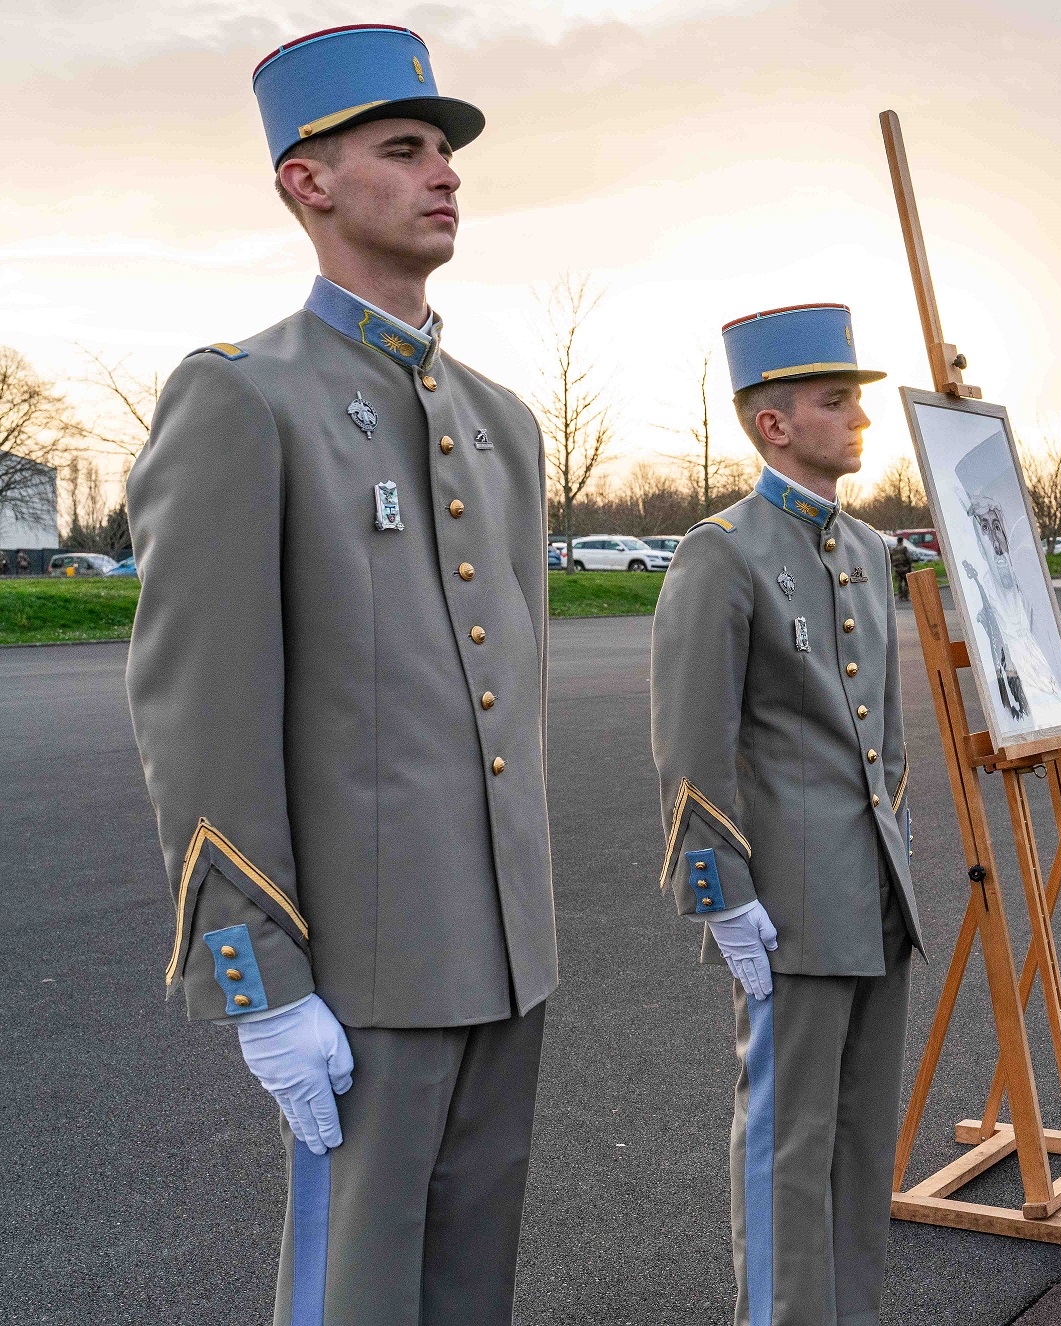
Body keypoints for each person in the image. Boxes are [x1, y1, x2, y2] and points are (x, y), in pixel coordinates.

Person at [123, 27, 556, 1325]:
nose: (445, 175)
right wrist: (261, 981)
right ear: (305, 184)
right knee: (353, 1293)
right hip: (361, 972)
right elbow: (202, 713)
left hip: (504, 953)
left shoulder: (502, 421)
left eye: (447, 154)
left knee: (471, 1285)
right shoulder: (243, 400)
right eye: (404, 149)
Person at [650, 302, 923, 1326]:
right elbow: (690, 742)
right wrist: (721, 896)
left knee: (860, 1144)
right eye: (832, 401)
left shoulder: (859, 545)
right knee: (784, 1141)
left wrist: (890, 858)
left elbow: (883, 739)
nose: (858, 418)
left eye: (855, 398)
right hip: (787, 908)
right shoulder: (719, 551)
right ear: (772, 424)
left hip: (872, 896)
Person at [889, 533, 914, 600]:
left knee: (899, 582)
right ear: (902, 541)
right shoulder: (904, 548)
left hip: (896, 568)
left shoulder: (893, 549)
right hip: (904, 567)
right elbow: (908, 558)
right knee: (906, 582)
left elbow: (891, 559)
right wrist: (910, 565)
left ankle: (900, 595)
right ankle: (905, 595)